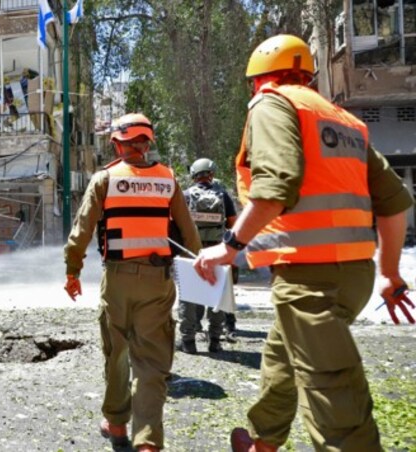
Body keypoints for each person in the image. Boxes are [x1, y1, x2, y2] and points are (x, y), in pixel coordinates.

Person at [193, 34, 414, 452]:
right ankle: (264, 440)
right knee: (282, 355)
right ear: (308, 76)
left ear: (258, 80)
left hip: (309, 278)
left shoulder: (272, 103)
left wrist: (230, 246)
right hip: (354, 275)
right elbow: (395, 202)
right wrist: (388, 274)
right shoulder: (342, 120)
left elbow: (276, 186)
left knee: (337, 402)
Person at [63, 113, 202, 451]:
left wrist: (72, 272)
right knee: (152, 364)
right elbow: (190, 237)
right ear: (147, 143)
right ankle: (148, 442)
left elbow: (80, 233)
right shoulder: (168, 179)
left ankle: (116, 424)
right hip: (158, 282)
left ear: (117, 143)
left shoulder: (105, 179)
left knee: (116, 354)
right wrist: (201, 271)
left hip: (118, 280)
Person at [177, 158, 238, 354]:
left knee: (188, 296)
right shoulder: (223, 196)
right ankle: (215, 341)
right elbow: (233, 225)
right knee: (216, 296)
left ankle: (188, 342)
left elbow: (177, 223)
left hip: (191, 251)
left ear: (194, 175)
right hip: (217, 252)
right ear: (211, 174)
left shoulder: (185, 196)